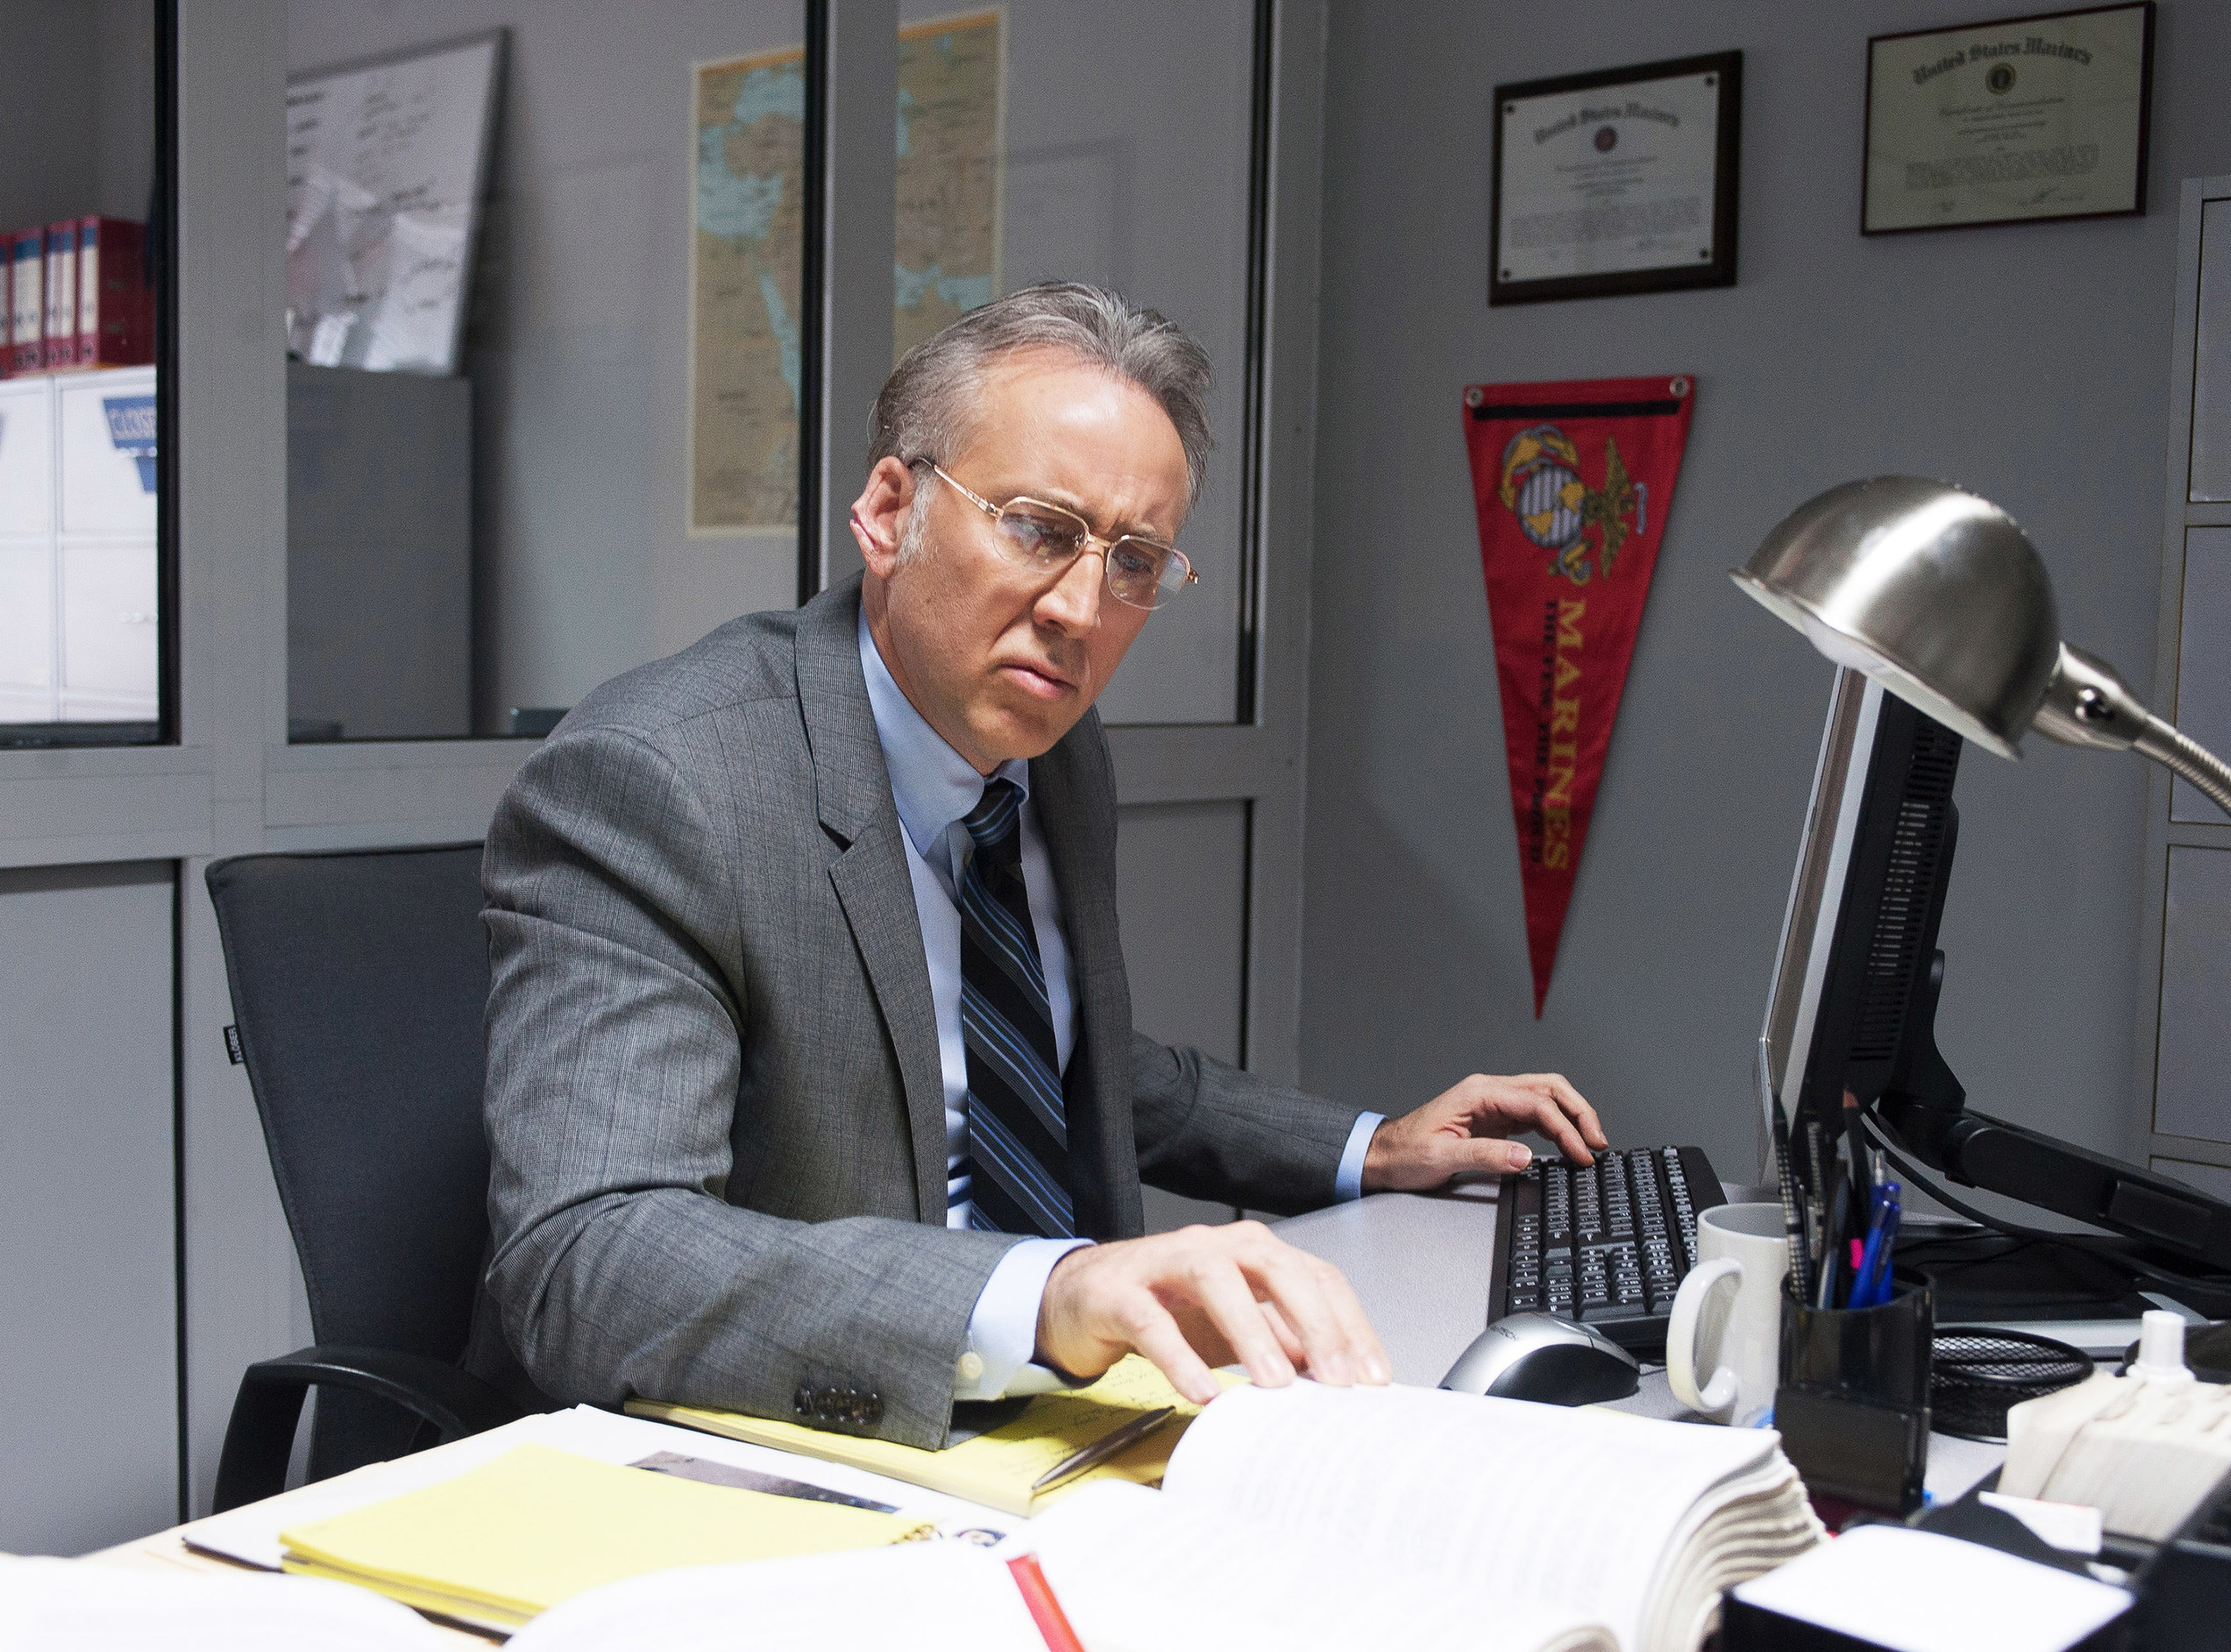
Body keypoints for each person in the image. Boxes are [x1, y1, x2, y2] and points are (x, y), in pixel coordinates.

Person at [478, 283, 1603, 1448]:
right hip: (806, 1431)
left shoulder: (1052, 751)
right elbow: (588, 1255)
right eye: (1038, 528)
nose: (1080, 610)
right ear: (887, 510)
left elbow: (1074, 1064)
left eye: (1134, 562)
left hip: (1073, 1420)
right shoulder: (662, 781)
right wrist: (1042, 1296)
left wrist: (1371, 1148)